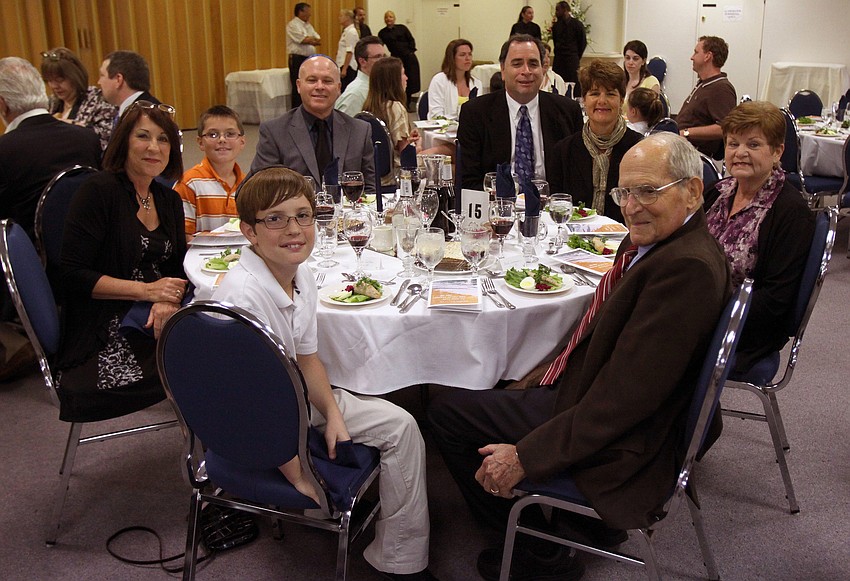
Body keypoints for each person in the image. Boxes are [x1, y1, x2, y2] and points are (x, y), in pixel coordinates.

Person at [428, 133, 732, 581]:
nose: (631, 207)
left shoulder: (685, 270)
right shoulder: (673, 246)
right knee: (492, 381)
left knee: (442, 409)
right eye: (624, 192)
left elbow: (623, 401)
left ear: (692, 190)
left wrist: (526, 456)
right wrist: (539, 373)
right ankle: (571, 525)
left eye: (649, 191)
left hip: (628, 438)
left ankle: (539, 551)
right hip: (594, 391)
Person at [213, 167, 437, 581]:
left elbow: (307, 357)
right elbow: (251, 403)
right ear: (249, 231)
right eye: (275, 219)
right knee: (400, 429)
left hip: (289, 397)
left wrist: (333, 413)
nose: (294, 229)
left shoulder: (298, 273)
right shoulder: (244, 299)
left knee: (401, 424)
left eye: (303, 215)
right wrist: (298, 475)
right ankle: (400, 564)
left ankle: (397, 555)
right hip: (256, 417)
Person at [57, 100, 186, 423]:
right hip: (105, 326)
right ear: (123, 142)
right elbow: (72, 275)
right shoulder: (99, 192)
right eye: (143, 136)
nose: (153, 147)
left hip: (155, 314)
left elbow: (176, 266)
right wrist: (147, 292)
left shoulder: (167, 198)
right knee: (207, 358)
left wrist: (166, 301)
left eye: (163, 139)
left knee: (228, 335)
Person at [704, 101, 815, 375]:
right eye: (733, 144)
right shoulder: (718, 193)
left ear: (777, 151)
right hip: (695, 308)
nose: (740, 153)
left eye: (753, 145)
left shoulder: (791, 213)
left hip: (741, 329)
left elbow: (776, 303)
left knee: (648, 345)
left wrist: (703, 312)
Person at [458, 35, 583, 190]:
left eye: (533, 64)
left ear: (543, 69)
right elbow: (468, 180)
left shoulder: (568, 112)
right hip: (497, 207)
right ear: (503, 70)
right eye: (517, 64)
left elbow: (577, 177)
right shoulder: (475, 113)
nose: (526, 71)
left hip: (552, 208)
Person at [0, 57, 101, 240]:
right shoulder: (87, 138)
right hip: (93, 258)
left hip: (32, 264)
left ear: (2, 104)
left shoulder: (5, 150)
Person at [250, 54, 376, 196]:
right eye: (312, 80)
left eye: (327, 81)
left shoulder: (360, 130)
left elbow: (370, 190)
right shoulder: (274, 132)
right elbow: (260, 189)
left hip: (348, 216)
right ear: (298, 86)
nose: (319, 87)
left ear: (338, 88)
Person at [550, 60, 643, 224]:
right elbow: (555, 207)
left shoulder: (639, 149)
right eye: (594, 93)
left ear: (622, 100)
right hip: (572, 240)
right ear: (584, 100)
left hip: (625, 239)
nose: (602, 101)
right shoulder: (563, 151)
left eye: (610, 93)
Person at [174, 105, 246, 239]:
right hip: (201, 257)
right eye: (213, 134)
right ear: (200, 142)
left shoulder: (248, 185)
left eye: (230, 134)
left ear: (242, 141)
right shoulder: (189, 183)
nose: (222, 140)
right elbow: (183, 236)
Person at [40, 47, 117, 151]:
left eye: (59, 80)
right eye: (49, 80)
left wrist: (65, 124)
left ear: (75, 76)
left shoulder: (99, 100)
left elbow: (105, 140)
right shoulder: (49, 104)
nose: (54, 86)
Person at [362, 57, 420, 186]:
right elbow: (405, 157)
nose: (406, 78)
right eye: (403, 74)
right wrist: (417, 146)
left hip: (372, 178)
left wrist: (408, 139)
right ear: (393, 81)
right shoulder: (395, 107)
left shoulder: (369, 108)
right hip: (394, 178)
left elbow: (387, 145)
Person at [677, 35, 736, 157]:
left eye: (696, 52)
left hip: (697, 156)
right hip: (684, 148)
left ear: (707, 56)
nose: (691, 57)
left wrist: (686, 133)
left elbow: (724, 128)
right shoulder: (704, 83)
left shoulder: (721, 88)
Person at [97, 50, 161, 124]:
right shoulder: (131, 111)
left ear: (118, 79)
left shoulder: (147, 115)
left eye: (102, 75)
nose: (99, 82)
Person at [426, 39, 482, 120]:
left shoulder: (476, 83)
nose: (468, 58)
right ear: (452, 58)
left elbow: (478, 114)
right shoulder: (439, 80)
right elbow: (436, 115)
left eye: (470, 54)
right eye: (462, 55)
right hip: (443, 130)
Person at [378, 10, 421, 110]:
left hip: (409, 57)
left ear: (394, 18)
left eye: (391, 17)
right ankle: (400, 102)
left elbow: (411, 39)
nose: (389, 19)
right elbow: (380, 45)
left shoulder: (402, 28)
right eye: (387, 17)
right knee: (397, 81)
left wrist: (410, 51)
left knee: (410, 80)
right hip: (396, 59)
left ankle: (408, 102)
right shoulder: (382, 33)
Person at [335, 35, 385, 116]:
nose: (384, 61)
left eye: (384, 56)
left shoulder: (374, 86)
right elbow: (343, 126)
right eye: (378, 57)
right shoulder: (356, 94)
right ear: (362, 61)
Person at [286, 2, 321, 110]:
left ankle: (307, 108)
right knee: (298, 85)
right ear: (300, 12)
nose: (310, 14)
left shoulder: (308, 25)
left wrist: (309, 39)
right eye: (307, 12)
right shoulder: (292, 25)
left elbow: (318, 39)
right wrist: (309, 39)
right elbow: (302, 40)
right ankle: (296, 110)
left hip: (308, 59)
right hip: (297, 58)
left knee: (308, 84)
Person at [551, 1, 587, 91]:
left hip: (572, 59)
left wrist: (576, 56)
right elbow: (555, 42)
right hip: (559, 59)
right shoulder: (555, 26)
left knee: (574, 83)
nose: (556, 12)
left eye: (558, 10)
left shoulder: (577, 24)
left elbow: (582, 42)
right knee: (557, 82)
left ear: (565, 10)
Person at [622, 40, 660, 115]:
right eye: (627, 58)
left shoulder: (652, 82)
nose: (630, 62)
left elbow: (651, 115)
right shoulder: (620, 80)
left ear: (643, 61)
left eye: (635, 59)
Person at [336, 9, 360, 91]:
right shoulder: (346, 31)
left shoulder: (351, 32)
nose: (339, 18)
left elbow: (350, 51)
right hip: (343, 64)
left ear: (347, 18)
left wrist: (344, 69)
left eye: (341, 16)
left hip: (348, 66)